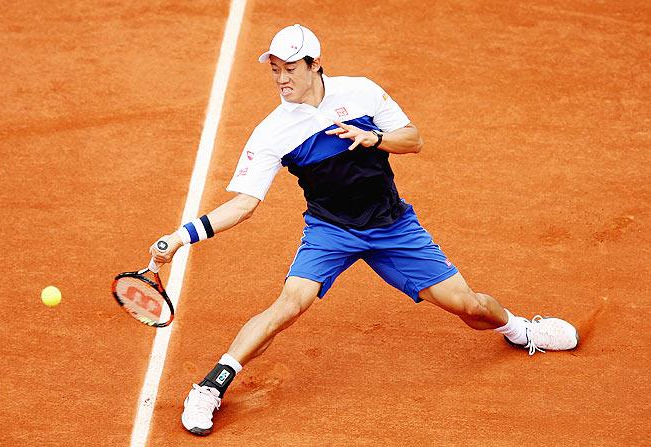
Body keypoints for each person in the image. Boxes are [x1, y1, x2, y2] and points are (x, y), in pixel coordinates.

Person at [149, 24, 579, 436]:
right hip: (330, 231)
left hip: (393, 226)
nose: (281, 78)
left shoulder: (362, 92)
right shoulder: (271, 132)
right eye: (275, 69)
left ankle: (520, 330)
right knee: (288, 305)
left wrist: (373, 139)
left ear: (316, 64)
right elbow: (243, 205)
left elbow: (413, 139)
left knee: (469, 307)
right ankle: (209, 386)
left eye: (290, 68)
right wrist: (180, 237)